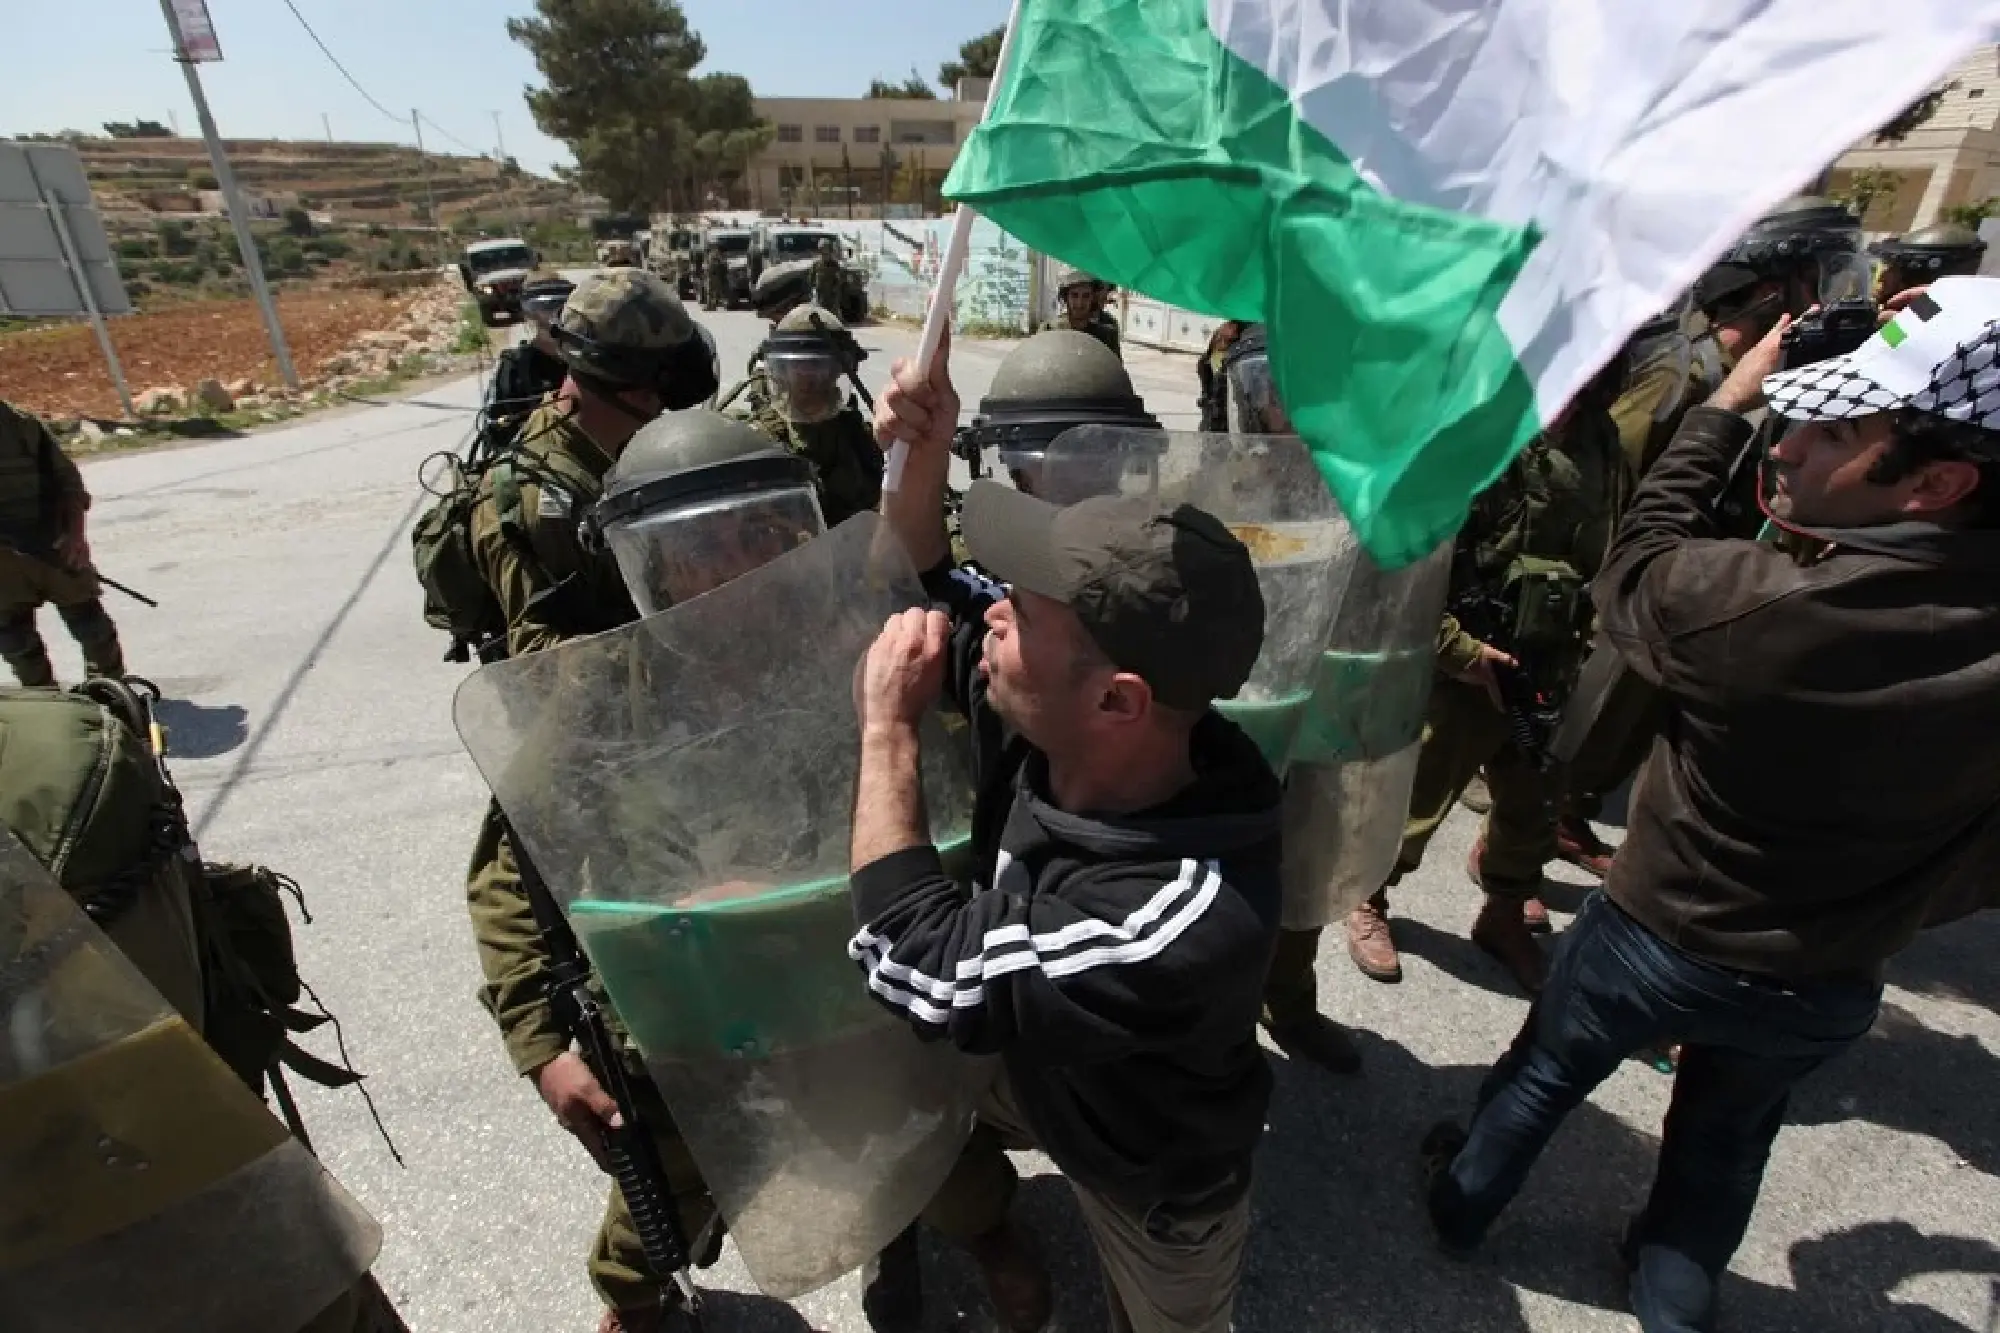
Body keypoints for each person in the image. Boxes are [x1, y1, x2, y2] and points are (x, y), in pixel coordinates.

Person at [1422, 277, 2000, 1333]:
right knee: (1724, 1142)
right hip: (1823, 976)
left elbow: (1637, 559)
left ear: (1937, 481)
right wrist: (1881, 905)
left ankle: (1459, 1207)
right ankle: (1669, 1293)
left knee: (1544, 1071)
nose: (1790, 445)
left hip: (1657, 935)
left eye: (1838, 431)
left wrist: (1723, 411)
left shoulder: (1760, 609)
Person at [856, 333, 1283, 1333]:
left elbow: (911, 957)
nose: (988, 612)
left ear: (1116, 701)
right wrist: (922, 448)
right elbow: (925, 575)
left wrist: (887, 733)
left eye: (1020, 610)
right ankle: (982, 1227)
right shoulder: (1073, 711)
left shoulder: (1181, 914)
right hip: (1048, 1068)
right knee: (885, 1090)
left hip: (1149, 1170)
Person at [460, 268, 722, 1333]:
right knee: (664, 1109)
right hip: (603, 768)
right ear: (593, 383)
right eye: (650, 393)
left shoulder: (617, 453)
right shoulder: (539, 500)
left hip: (683, 748)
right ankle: (633, 1293)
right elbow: (558, 714)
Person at [1343, 354, 1629, 995]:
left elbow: (1607, 541)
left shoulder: (1599, 440)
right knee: (1416, 795)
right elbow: (1406, 557)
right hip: (1468, 661)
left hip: (1548, 657)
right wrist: (1460, 651)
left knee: (1533, 802)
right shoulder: (1471, 434)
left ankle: (1502, 914)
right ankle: (1367, 897)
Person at [0, 398, 124, 688]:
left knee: (92, 630)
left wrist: (76, 538)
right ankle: (62, 708)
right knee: (19, 642)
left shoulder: (22, 425)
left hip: (54, 549)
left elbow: (68, 484)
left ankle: (103, 702)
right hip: (37, 557)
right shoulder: (21, 423)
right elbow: (69, 485)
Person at [735, 303, 883, 526]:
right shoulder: (750, 441)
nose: (808, 375)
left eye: (817, 364)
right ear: (779, 371)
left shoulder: (860, 441)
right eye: (799, 365)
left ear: (838, 371)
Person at [487, 270, 575, 444]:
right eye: (543, 308)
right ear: (529, 313)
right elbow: (498, 431)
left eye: (560, 305)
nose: (552, 315)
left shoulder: (587, 357)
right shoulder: (515, 366)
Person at [1873, 223, 1988, 305]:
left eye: (1893, 268)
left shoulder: (1928, 310)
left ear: (1916, 274)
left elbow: (1889, 338)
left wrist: (1882, 327)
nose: (1882, 277)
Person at [1041, 266, 1122, 360]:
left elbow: (1116, 371)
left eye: (1086, 296)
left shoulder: (1107, 337)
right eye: (1074, 295)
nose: (1079, 303)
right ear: (1065, 297)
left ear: (1093, 298)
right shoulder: (1049, 330)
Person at [812, 236, 845, 312]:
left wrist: (836, 289)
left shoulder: (834, 264)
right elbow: (811, 279)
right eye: (823, 251)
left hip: (832, 296)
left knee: (833, 316)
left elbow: (839, 279)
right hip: (820, 295)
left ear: (830, 251)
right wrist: (813, 290)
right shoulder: (816, 264)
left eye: (827, 250)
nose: (825, 253)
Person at [702, 244, 728, 311]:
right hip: (713, 275)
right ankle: (713, 305)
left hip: (713, 275)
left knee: (710, 291)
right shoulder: (716, 255)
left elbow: (713, 265)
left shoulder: (713, 255)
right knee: (714, 292)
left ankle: (710, 306)